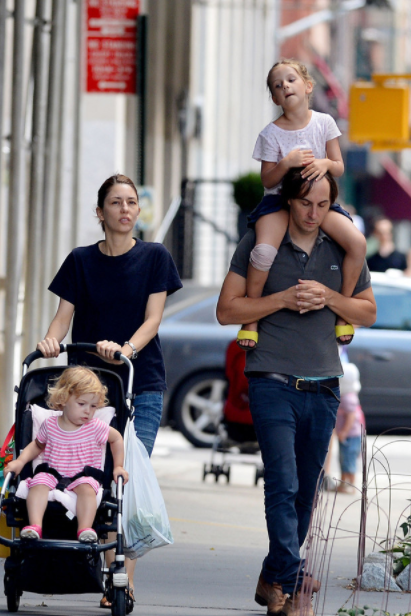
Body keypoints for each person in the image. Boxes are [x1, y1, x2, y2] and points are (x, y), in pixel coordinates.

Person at [216, 168, 376, 616]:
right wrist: (282, 299)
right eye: (305, 203)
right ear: (288, 200)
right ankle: (291, 580)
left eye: (323, 205)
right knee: (282, 483)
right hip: (272, 381)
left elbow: (367, 310)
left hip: (325, 386)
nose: (313, 213)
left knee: (307, 490)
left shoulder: (342, 247)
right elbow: (227, 310)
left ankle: (274, 575)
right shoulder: (261, 244)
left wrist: (328, 296)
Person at [36, 173, 183, 609]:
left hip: (140, 383)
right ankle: (88, 559)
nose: (125, 209)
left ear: (138, 211)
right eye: (116, 202)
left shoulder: (155, 256)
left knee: (125, 477)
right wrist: (48, 341)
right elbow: (64, 316)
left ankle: (121, 578)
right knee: (85, 473)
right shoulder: (80, 260)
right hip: (85, 391)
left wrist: (126, 349)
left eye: (131, 202)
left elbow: (153, 318)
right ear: (100, 213)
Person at [237, 58, 366, 350]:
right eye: (277, 85)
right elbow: (268, 181)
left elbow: (339, 167)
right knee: (263, 251)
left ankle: (343, 310)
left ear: (308, 86)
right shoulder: (270, 133)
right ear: (274, 97)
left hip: (318, 200)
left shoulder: (324, 122)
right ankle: (251, 317)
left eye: (290, 80)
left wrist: (323, 163)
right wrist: (286, 163)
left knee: (357, 243)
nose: (285, 87)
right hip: (278, 204)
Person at [4, 367, 128, 542]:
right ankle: (35, 526)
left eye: (93, 406)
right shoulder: (50, 424)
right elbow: (37, 446)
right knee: (38, 483)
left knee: (87, 488)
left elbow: (116, 439)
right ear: (63, 399)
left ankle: (85, 528)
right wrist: (19, 462)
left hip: (82, 476)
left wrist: (118, 466)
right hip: (52, 474)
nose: (88, 411)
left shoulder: (95, 426)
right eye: (82, 404)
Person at [335, 362, 365, 495]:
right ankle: (343, 483)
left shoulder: (348, 398)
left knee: (349, 460)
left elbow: (351, 417)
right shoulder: (346, 396)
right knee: (343, 459)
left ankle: (352, 486)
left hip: (351, 435)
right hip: (346, 435)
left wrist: (344, 432)